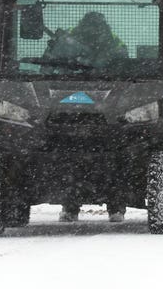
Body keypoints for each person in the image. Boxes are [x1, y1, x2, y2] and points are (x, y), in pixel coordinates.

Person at [49, 12, 129, 222]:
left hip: (68, 105)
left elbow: (51, 63)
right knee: (115, 164)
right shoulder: (113, 43)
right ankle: (115, 208)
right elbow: (124, 65)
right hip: (103, 109)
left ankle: (71, 208)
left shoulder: (69, 41)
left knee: (69, 166)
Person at [43, 11, 128, 70]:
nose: (93, 29)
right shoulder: (68, 35)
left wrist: (106, 55)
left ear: (103, 26)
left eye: (97, 26)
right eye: (90, 24)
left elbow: (123, 61)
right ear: (83, 24)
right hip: (66, 75)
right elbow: (49, 59)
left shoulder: (113, 40)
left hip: (104, 78)